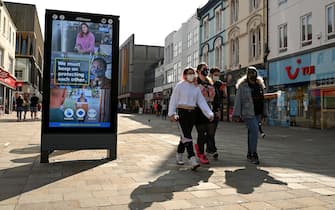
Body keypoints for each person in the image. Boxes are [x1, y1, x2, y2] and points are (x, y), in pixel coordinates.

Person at [168, 67, 214, 170]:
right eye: (188, 73)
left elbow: (201, 102)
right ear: (184, 75)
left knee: (185, 136)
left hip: (192, 113)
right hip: (182, 113)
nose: (190, 75)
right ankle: (192, 158)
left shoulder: (196, 87)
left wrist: (209, 113)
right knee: (187, 136)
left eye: (192, 73)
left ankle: (179, 154)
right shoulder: (179, 86)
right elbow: (173, 100)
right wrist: (172, 113)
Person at [232, 66, 266, 165]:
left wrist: (265, 113)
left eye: (254, 73)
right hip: (248, 113)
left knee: (251, 132)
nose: (253, 75)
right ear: (247, 74)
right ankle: (254, 154)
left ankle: (249, 153)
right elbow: (238, 100)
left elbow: (262, 100)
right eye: (251, 73)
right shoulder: (243, 86)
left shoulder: (259, 85)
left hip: (258, 113)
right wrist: (236, 114)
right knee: (255, 130)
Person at [194, 63, 216, 164]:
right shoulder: (194, 82)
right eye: (204, 69)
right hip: (198, 111)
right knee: (201, 133)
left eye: (207, 69)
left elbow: (213, 97)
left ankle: (199, 146)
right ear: (198, 71)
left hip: (209, 109)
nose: (206, 71)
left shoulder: (209, 82)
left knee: (211, 133)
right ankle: (202, 154)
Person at [207, 67, 226, 159]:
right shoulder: (206, 83)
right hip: (206, 110)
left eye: (218, 75)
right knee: (208, 131)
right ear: (210, 74)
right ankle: (212, 149)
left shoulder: (219, 84)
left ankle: (211, 149)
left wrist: (224, 89)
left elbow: (223, 97)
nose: (217, 77)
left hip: (216, 111)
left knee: (212, 131)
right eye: (215, 75)